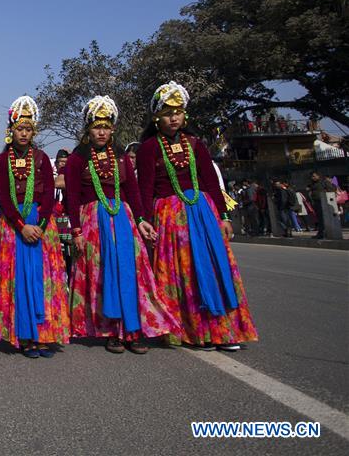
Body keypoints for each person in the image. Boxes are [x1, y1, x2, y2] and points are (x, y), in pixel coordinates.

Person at [136, 81, 258, 351]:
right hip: (169, 216)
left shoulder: (195, 144)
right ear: (157, 117)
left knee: (215, 267)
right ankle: (193, 331)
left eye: (178, 111)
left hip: (203, 212)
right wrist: (143, 219)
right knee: (185, 272)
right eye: (168, 112)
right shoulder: (149, 148)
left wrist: (224, 216)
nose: (174, 117)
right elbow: (144, 187)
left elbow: (211, 182)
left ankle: (224, 331)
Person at [65, 96, 179, 354]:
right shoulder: (77, 159)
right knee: (103, 275)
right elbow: (72, 197)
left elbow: (134, 191)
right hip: (93, 223)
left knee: (131, 273)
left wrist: (141, 220)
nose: (101, 132)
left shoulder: (121, 157)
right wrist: (76, 231)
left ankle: (133, 330)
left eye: (106, 126)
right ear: (88, 129)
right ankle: (111, 332)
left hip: (123, 220)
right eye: (96, 126)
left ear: (113, 128)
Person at [0, 96, 70, 357]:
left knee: (42, 279)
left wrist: (42, 223)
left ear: (33, 131)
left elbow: (48, 193)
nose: (23, 133)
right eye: (19, 129)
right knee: (18, 280)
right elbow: (2, 195)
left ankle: (44, 335)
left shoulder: (42, 157)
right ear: (10, 130)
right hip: (13, 226)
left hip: (41, 224)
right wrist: (21, 226)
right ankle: (24, 335)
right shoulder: (1, 162)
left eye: (28, 129)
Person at [53, 149, 73, 276]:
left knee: (70, 255)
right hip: (55, 222)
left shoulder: (72, 177)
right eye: (60, 162)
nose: (63, 164)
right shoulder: (51, 178)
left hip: (70, 221)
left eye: (66, 162)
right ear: (56, 163)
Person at [308, 171, 336, 239]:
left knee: (323, 219)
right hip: (316, 203)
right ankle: (321, 233)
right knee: (320, 219)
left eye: (314, 176)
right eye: (312, 176)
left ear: (318, 176)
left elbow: (332, 189)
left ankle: (323, 233)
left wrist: (326, 197)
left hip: (323, 203)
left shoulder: (324, 182)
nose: (313, 178)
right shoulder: (313, 184)